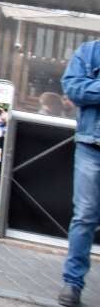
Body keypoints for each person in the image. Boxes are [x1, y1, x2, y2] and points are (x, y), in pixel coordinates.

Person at [58, 41, 100, 307]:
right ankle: (72, 285)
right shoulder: (89, 52)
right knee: (85, 216)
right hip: (91, 146)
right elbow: (73, 88)